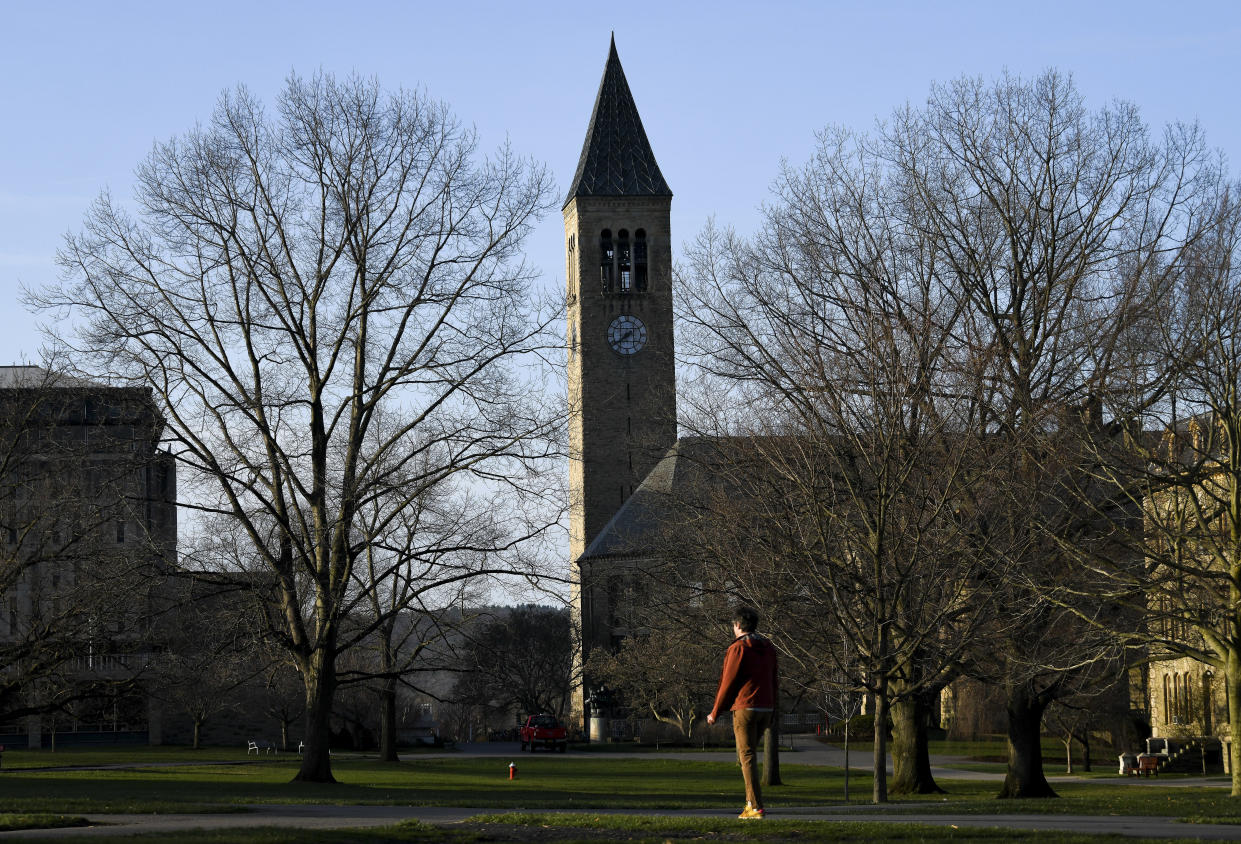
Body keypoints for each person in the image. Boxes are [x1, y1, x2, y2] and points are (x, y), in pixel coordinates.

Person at [707, 605, 779, 820]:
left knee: (746, 757)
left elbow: (728, 683)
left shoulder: (738, 648)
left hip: (745, 707)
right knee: (748, 756)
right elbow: (774, 680)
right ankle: (750, 804)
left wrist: (715, 712)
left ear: (737, 625)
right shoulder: (768, 647)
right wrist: (774, 709)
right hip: (766, 708)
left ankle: (755, 806)